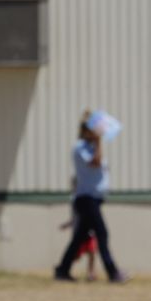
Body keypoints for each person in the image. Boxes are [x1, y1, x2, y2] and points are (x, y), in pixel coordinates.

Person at [54, 117, 127, 284]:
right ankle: (113, 272)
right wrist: (99, 142)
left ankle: (62, 270)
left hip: (94, 198)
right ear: (86, 131)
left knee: (79, 238)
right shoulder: (80, 148)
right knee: (102, 234)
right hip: (87, 199)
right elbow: (95, 162)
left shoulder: (91, 147)